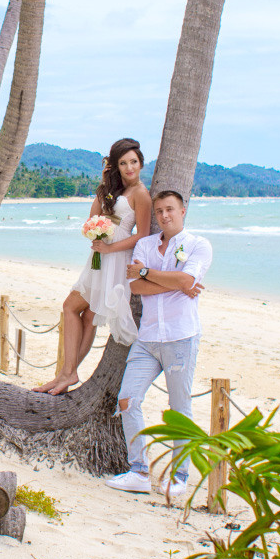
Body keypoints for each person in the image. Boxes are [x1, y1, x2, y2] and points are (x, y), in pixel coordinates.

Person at [105, 190, 211, 498]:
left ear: (182, 211)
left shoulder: (198, 245)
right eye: (160, 211)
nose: (165, 215)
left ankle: (179, 477)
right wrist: (173, 281)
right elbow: (136, 286)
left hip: (181, 337)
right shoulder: (145, 244)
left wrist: (151, 274)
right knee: (127, 399)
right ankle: (138, 470)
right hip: (148, 338)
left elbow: (186, 281)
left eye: (170, 210)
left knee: (179, 408)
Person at [34, 138, 151, 395]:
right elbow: (93, 218)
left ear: (141, 163)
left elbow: (142, 234)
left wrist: (109, 248)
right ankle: (66, 374)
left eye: (133, 162)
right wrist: (104, 183)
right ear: (116, 166)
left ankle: (68, 373)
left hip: (115, 257)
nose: (129, 168)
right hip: (100, 256)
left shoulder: (141, 193)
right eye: (123, 163)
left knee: (72, 307)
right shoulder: (114, 191)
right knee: (86, 314)